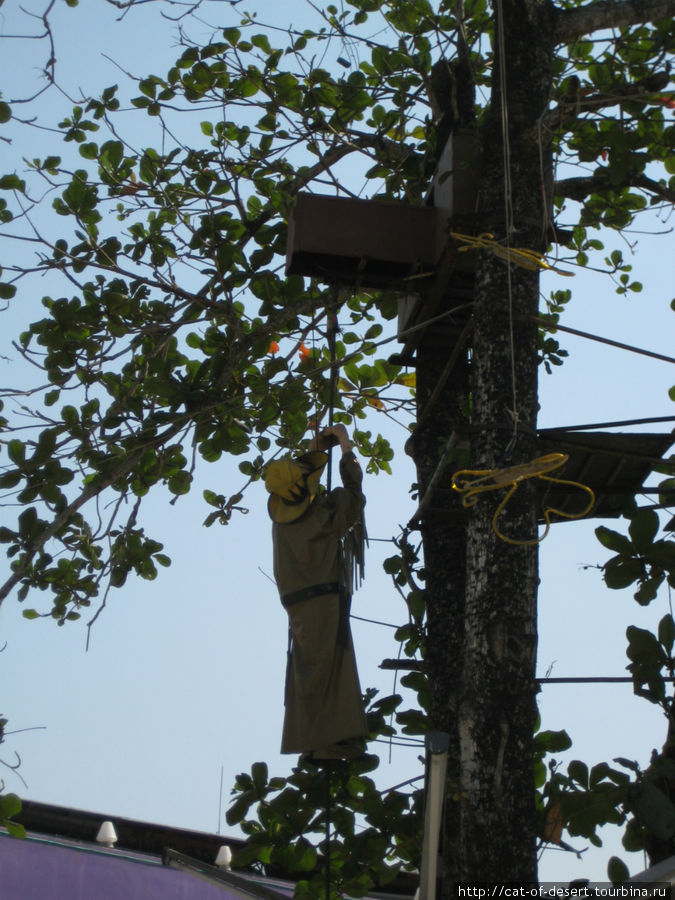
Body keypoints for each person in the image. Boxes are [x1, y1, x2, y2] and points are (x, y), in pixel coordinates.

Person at [265, 424, 368, 761]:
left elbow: (301, 480)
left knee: (307, 667)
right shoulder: (322, 513)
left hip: (297, 603)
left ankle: (312, 742)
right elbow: (354, 496)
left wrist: (317, 449)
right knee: (332, 666)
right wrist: (345, 448)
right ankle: (327, 743)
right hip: (323, 600)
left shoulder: (282, 521)